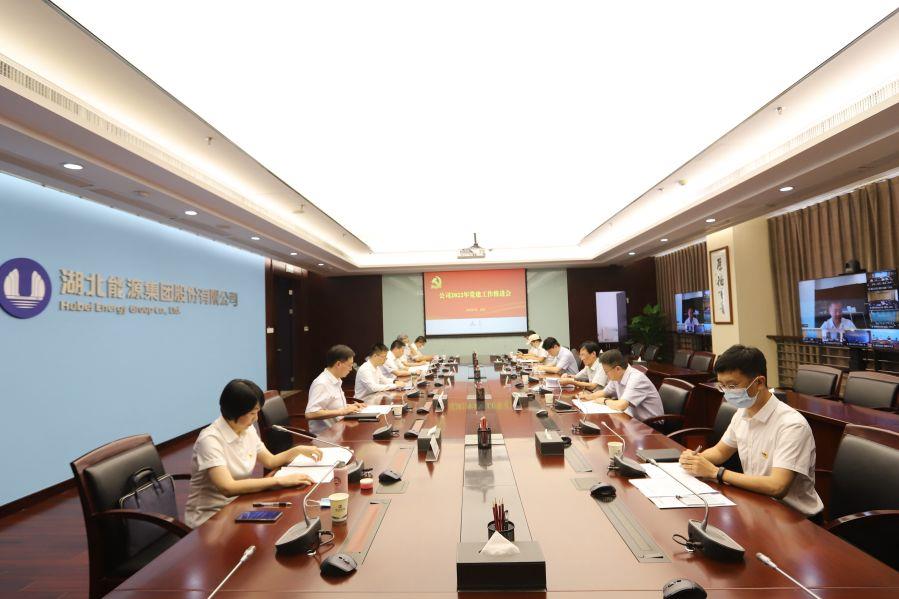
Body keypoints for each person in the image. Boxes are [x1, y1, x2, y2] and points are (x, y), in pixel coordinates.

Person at [679, 345, 823, 518]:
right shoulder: (742, 413)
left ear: (759, 382)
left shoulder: (791, 425)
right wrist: (696, 460)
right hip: (758, 505)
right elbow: (720, 451)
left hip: (795, 517)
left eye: (732, 386)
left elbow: (777, 486)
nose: (727, 393)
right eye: (722, 386)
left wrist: (715, 472)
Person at [184, 379, 323, 528]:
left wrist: (297, 450)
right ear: (234, 410)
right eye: (252, 413)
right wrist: (279, 481)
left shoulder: (247, 429)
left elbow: (270, 461)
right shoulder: (210, 440)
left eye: (257, 412)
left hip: (240, 504)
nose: (256, 418)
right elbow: (228, 487)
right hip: (210, 518)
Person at [577, 349, 663, 421]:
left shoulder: (636, 379)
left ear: (617, 369)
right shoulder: (617, 376)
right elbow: (604, 392)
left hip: (651, 425)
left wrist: (605, 401)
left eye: (606, 372)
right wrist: (588, 397)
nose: (605, 375)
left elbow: (621, 405)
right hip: (632, 419)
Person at [305, 345, 363, 420]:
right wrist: (342, 411)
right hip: (330, 427)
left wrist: (349, 407)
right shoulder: (322, 383)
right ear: (338, 364)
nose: (351, 369)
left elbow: (331, 406)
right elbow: (310, 414)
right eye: (349, 365)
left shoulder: (336, 380)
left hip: (340, 424)